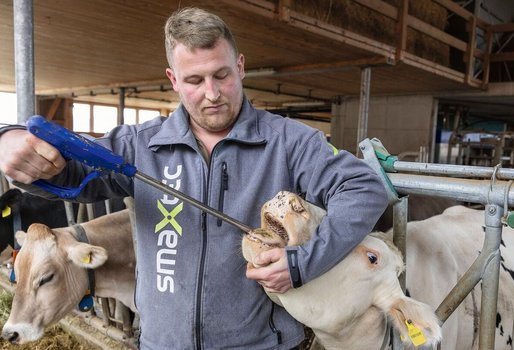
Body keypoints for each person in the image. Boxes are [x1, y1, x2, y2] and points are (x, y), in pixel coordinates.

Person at [0, 7, 388, 349]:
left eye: (222, 75)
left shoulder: (289, 141)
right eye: (194, 80)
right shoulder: (140, 146)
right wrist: (12, 141)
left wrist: (304, 262)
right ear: (172, 79)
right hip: (160, 343)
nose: (212, 93)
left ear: (240, 66)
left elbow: (363, 188)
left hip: (258, 345)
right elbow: (69, 170)